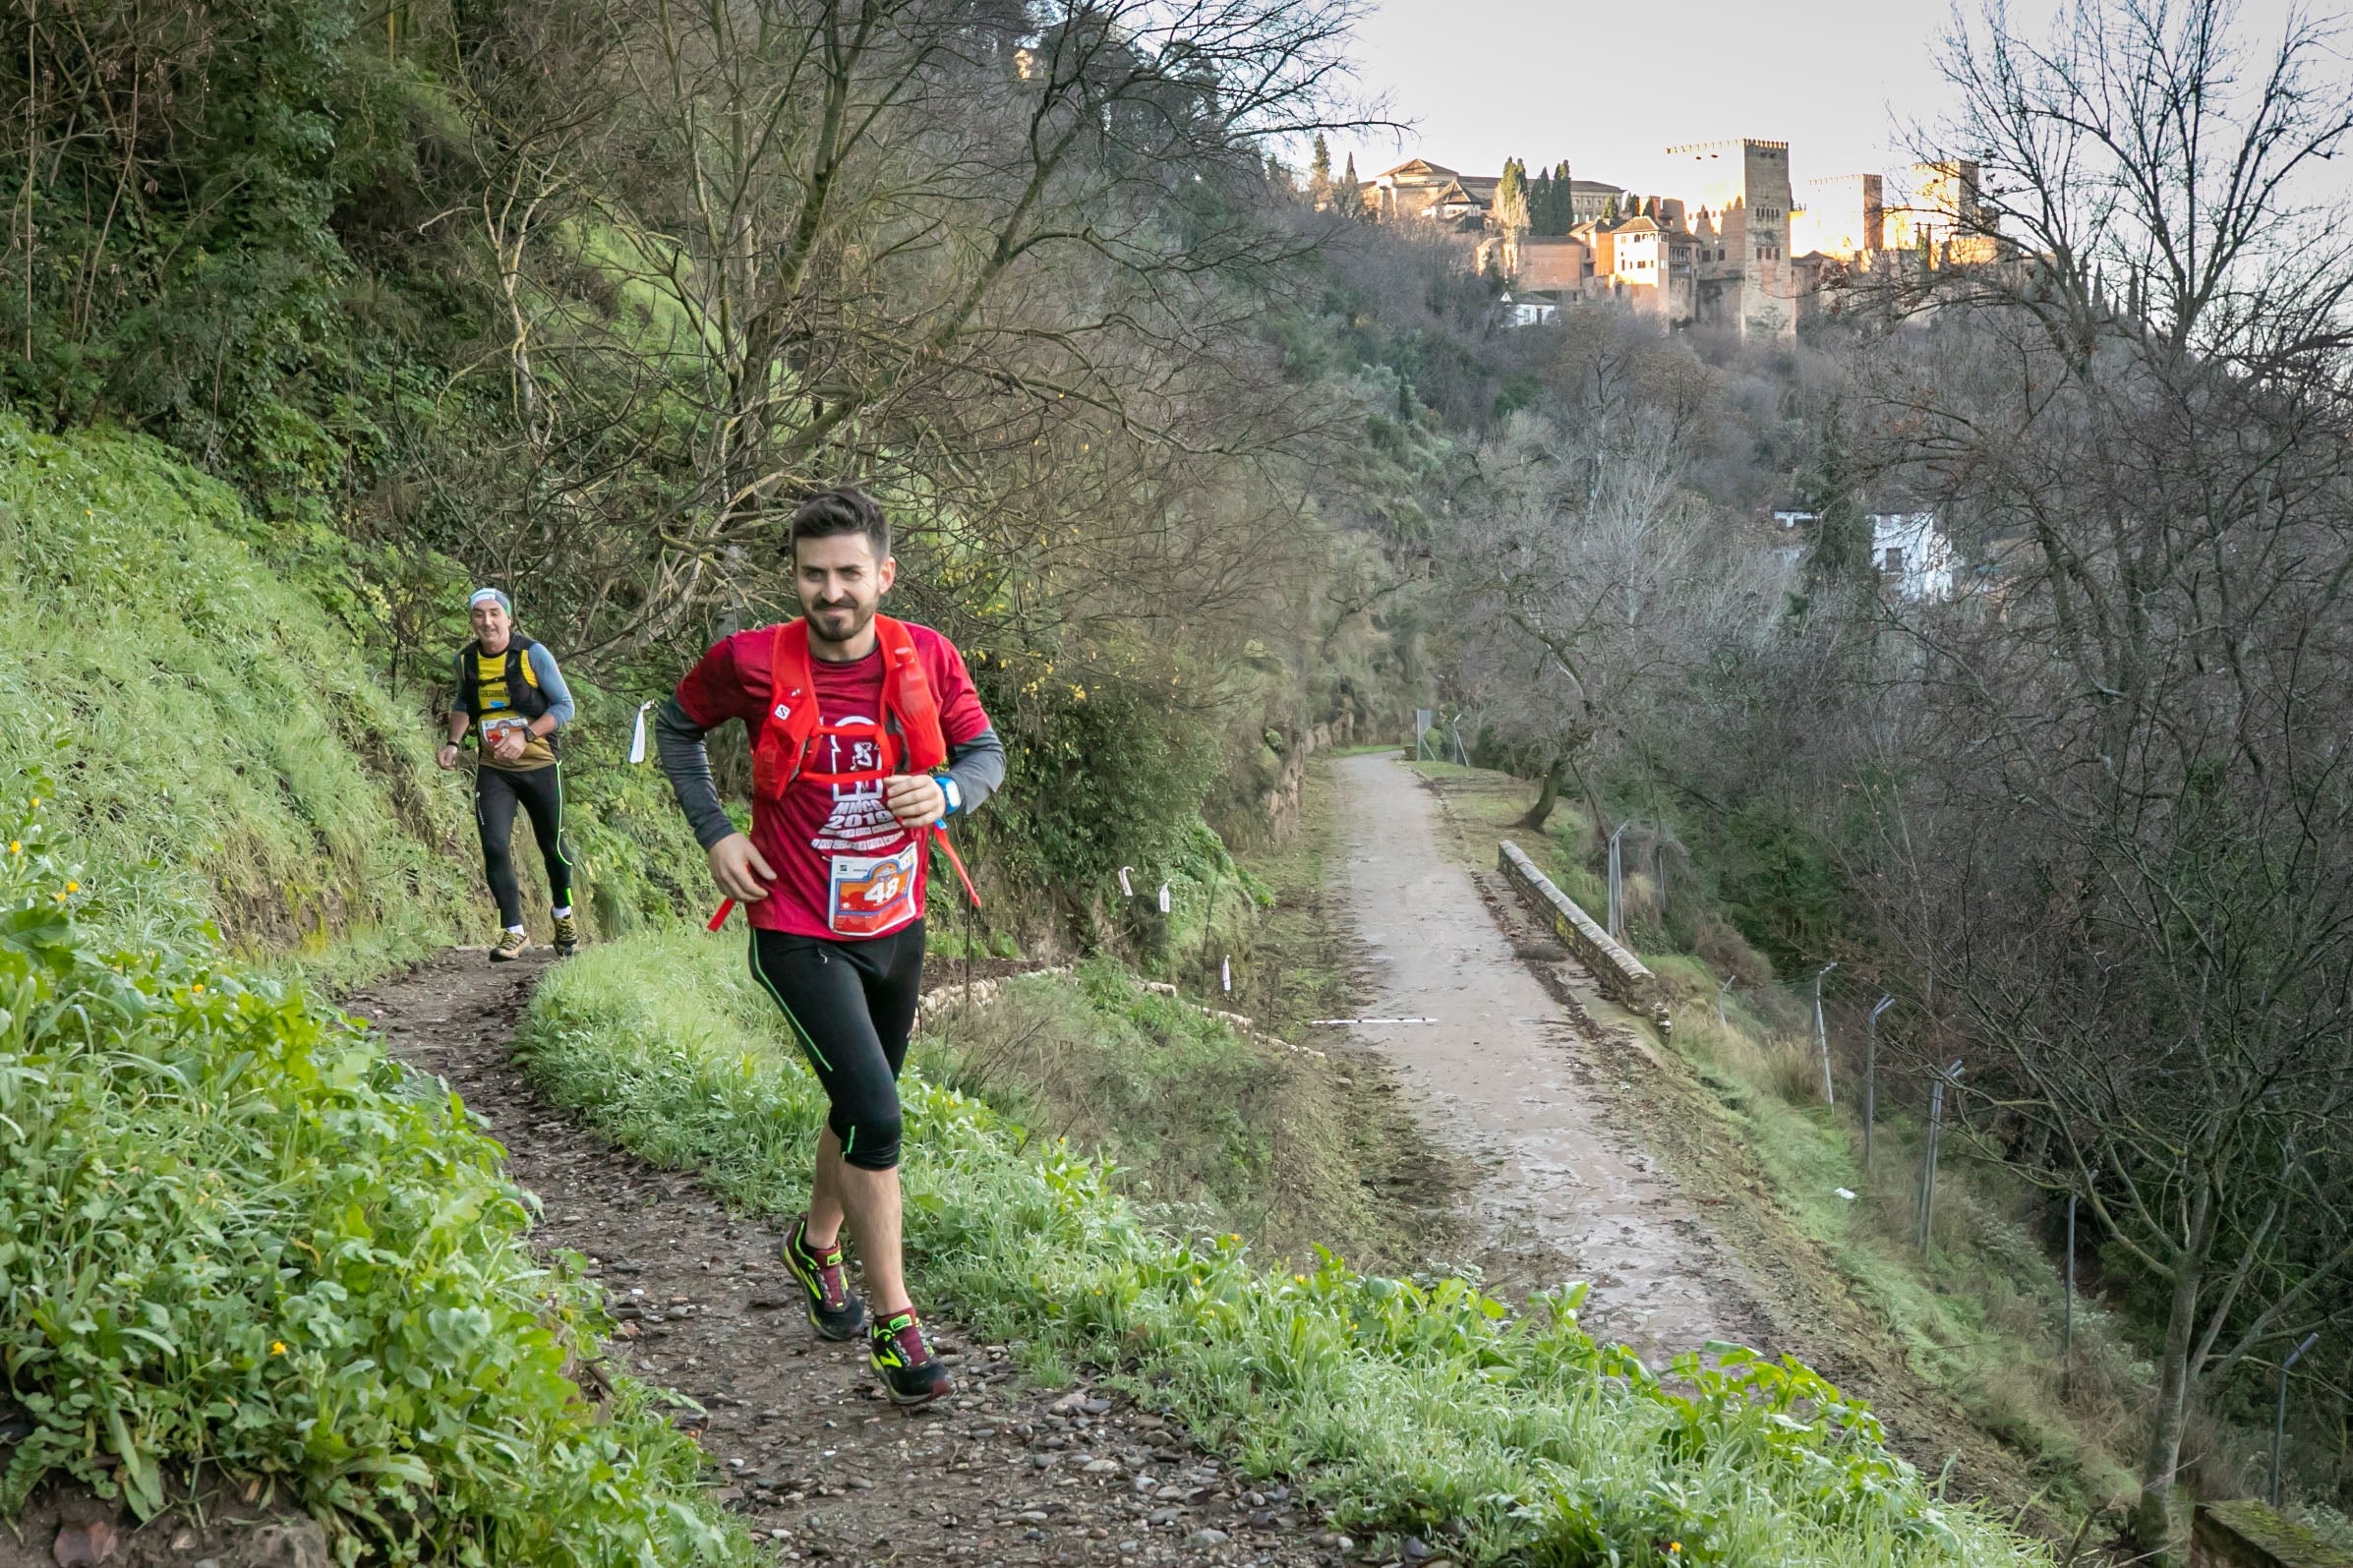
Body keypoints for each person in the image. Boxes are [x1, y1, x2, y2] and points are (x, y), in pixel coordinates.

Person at [654, 487, 1005, 1406]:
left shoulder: (926, 655)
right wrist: (716, 833)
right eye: (814, 574)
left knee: (859, 1104)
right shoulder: (748, 661)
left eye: (850, 573)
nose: (832, 591)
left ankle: (813, 1246)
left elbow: (984, 752)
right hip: (794, 925)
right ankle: (897, 1326)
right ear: (795, 577)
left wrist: (948, 795)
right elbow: (679, 727)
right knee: (879, 1119)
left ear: (883, 574)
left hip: (895, 925)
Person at [437, 587, 579, 962]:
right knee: (495, 845)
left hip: (540, 765)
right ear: (472, 620)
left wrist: (526, 734)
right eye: (479, 614)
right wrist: (453, 742)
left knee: (554, 849)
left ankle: (563, 915)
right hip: (494, 768)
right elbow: (464, 702)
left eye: (495, 613)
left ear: (508, 618)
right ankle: (514, 931)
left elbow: (565, 706)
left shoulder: (533, 654)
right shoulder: (465, 661)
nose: (487, 621)